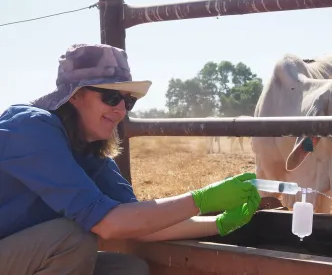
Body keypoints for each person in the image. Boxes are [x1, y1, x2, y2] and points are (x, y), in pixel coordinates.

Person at [0, 43, 261, 274]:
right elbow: (109, 224)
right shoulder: (31, 129)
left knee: (127, 269)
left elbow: (138, 223)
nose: (121, 109)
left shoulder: (89, 150)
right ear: (75, 95)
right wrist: (201, 199)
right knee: (72, 240)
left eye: (128, 101)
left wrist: (219, 223)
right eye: (111, 96)